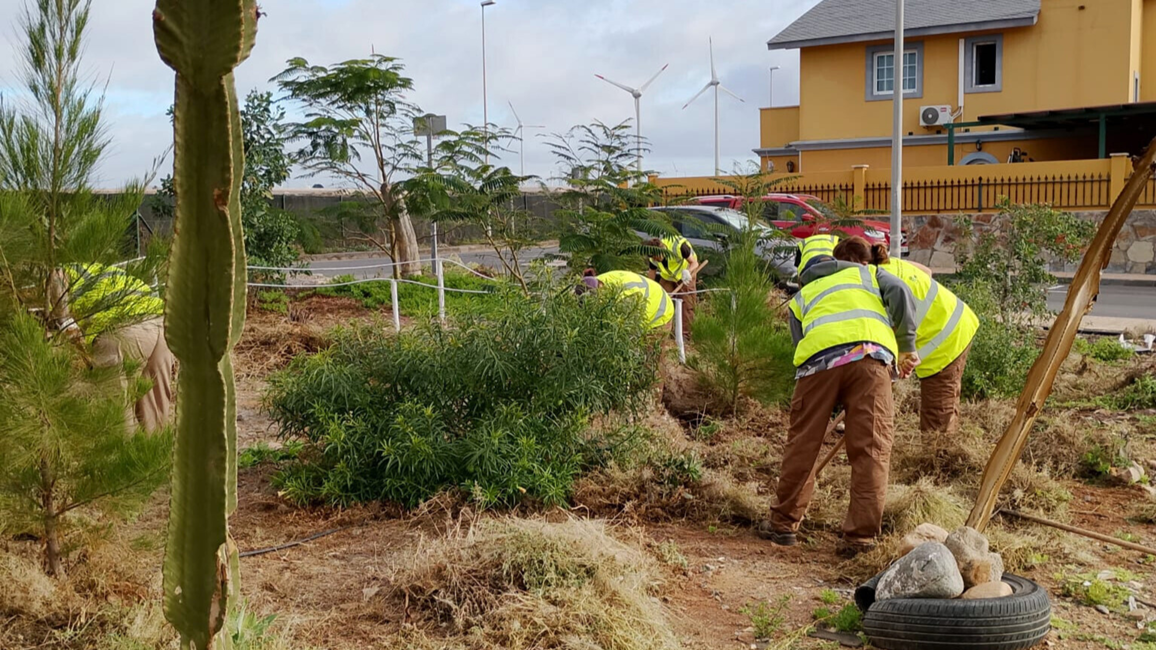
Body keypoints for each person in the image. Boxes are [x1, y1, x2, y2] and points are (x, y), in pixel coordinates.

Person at [759, 243, 919, 557]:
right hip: (871, 360)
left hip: (818, 364)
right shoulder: (871, 274)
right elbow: (900, 289)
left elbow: (799, 345)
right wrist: (906, 347)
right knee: (871, 448)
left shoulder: (803, 295)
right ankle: (859, 539)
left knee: (804, 443)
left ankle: (783, 525)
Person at [834, 237, 979, 435]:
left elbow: (889, 332)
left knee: (936, 419)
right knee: (941, 408)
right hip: (958, 318)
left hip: (947, 338)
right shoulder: (887, 265)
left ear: (861, 265)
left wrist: (901, 358)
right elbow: (926, 272)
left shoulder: (875, 284)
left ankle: (939, 461)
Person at [54, 263, 174, 433]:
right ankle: (158, 454)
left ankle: (127, 456)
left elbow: (58, 289)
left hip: (119, 332)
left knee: (119, 415)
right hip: (161, 326)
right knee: (154, 416)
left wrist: (65, 324)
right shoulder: (105, 270)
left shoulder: (62, 270)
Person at [580, 268, 674, 331]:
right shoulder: (596, 281)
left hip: (660, 310)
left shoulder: (623, 297)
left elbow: (627, 328)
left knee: (650, 356)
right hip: (646, 301)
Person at [645, 235, 699, 330]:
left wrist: (688, 272)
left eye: (656, 257)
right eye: (652, 258)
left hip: (686, 274)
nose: (654, 260)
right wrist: (649, 288)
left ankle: (685, 335)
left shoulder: (679, 246)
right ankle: (663, 332)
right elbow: (652, 272)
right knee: (662, 300)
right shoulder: (652, 256)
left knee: (687, 304)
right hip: (668, 276)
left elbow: (694, 263)